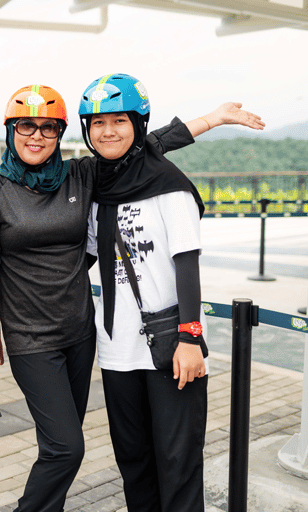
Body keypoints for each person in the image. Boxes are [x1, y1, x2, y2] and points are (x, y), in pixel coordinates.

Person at [0, 84, 264, 512]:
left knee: (84, 449)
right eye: (25, 126)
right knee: (66, 448)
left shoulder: (81, 175)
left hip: (83, 335)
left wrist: (210, 120)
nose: (36, 136)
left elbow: (142, 143)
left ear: (63, 133)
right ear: (10, 131)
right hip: (32, 338)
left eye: (48, 128)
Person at [79, 74, 263, 512]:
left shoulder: (169, 185)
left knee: (177, 464)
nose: (108, 131)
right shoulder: (96, 187)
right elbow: (82, 260)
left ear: (138, 124)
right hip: (116, 350)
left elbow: (187, 264)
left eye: (119, 120)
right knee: (134, 463)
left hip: (170, 347)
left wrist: (189, 337)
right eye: (98, 122)